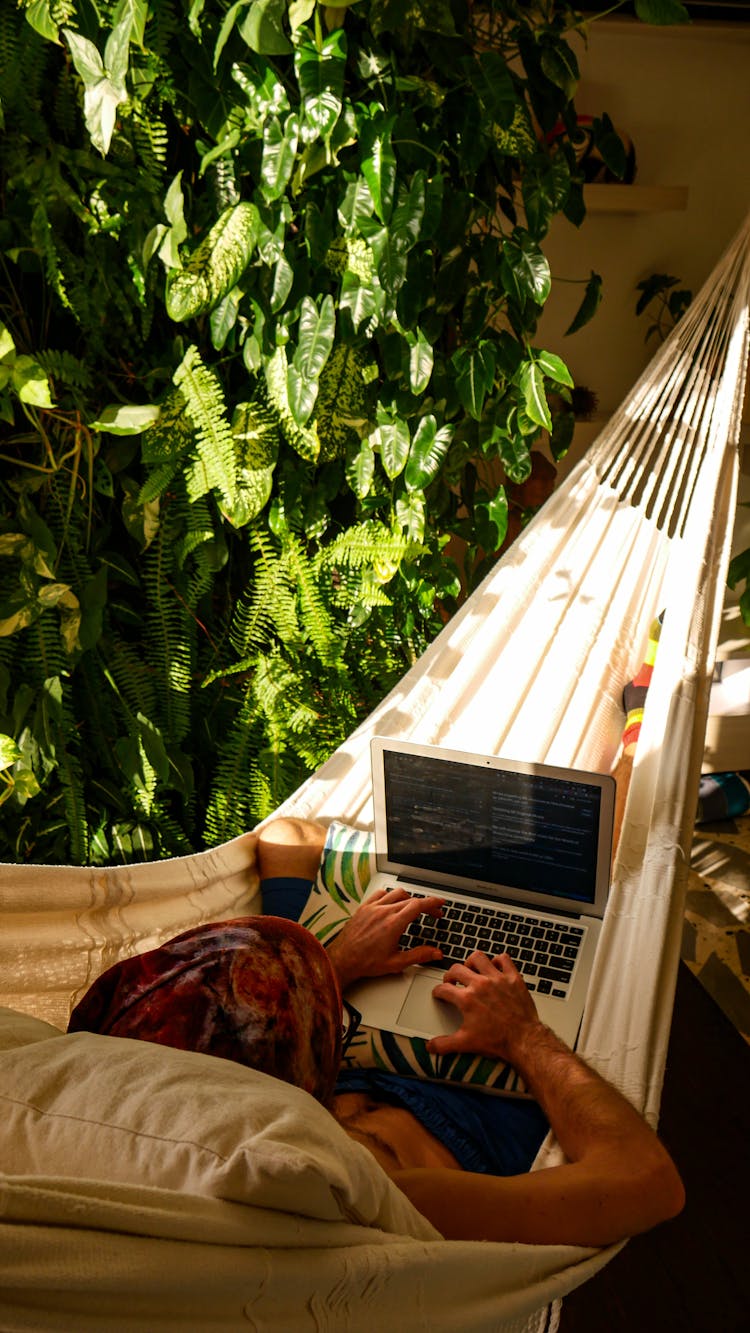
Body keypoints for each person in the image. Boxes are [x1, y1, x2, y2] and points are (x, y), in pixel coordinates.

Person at [255, 816, 685, 1249]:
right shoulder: (397, 1207)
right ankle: (633, 754)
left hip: (324, 1057)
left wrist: (337, 964)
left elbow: (286, 836)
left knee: (289, 837)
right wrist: (521, 1032)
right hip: (483, 1105)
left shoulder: (235, 1151)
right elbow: (647, 1182)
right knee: (607, 875)